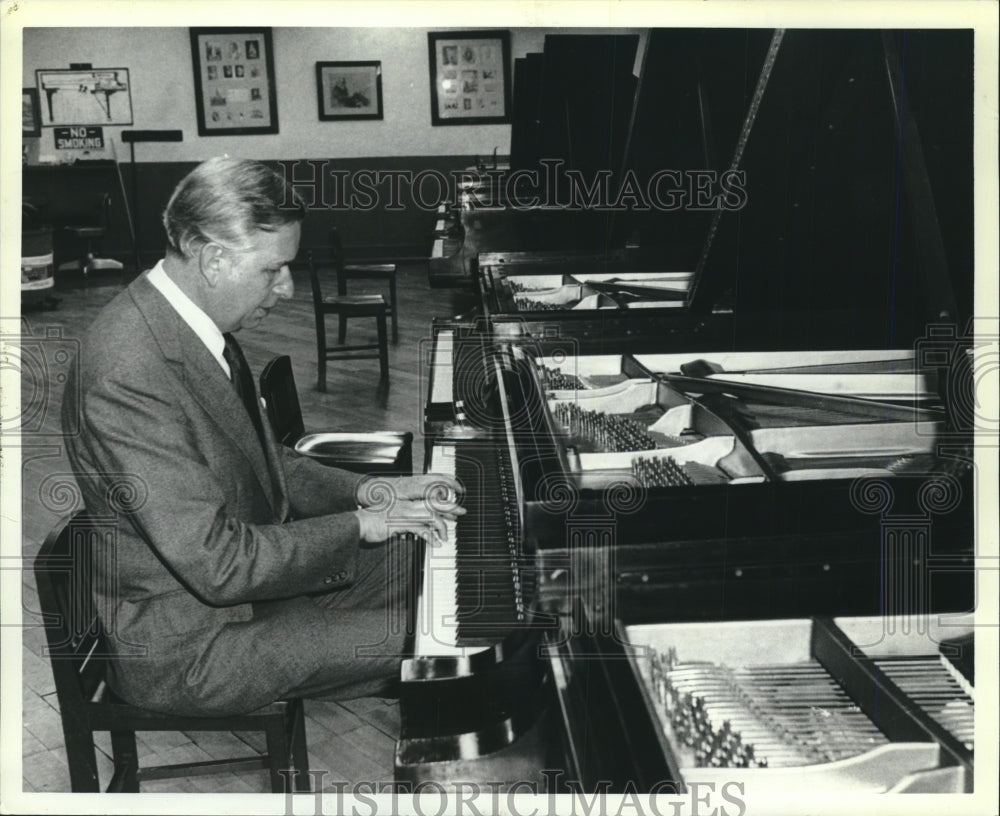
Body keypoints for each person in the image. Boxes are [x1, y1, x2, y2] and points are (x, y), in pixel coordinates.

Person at [61, 157, 463, 716]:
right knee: (461, 634)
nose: (290, 288)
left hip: (248, 597)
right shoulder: (127, 373)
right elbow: (219, 564)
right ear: (215, 260)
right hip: (192, 645)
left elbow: (267, 461)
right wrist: (360, 526)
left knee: (450, 563)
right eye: (274, 269)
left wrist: (373, 493)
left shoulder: (193, 324)